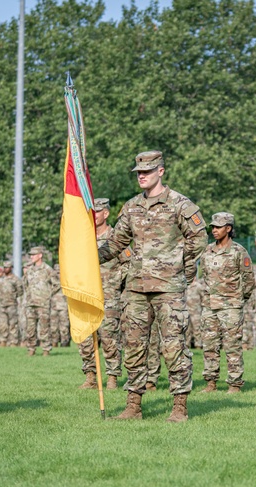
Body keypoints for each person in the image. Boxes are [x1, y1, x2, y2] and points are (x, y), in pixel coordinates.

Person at [97, 150, 207, 421]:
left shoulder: (179, 204)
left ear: (161, 171)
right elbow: (117, 242)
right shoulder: (132, 206)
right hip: (135, 288)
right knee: (134, 346)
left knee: (173, 347)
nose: (142, 177)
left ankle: (179, 405)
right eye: (138, 173)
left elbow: (199, 237)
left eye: (147, 172)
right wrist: (91, 257)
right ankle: (133, 405)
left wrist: (178, 264)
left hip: (169, 288)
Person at [200, 212, 256, 393]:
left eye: (218, 227)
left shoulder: (239, 251)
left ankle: (234, 384)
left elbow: (249, 280)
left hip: (231, 306)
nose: (214, 230)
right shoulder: (207, 250)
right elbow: (205, 277)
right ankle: (210, 383)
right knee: (209, 346)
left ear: (229, 228)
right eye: (213, 227)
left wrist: (239, 299)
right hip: (209, 306)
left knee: (232, 346)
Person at [77, 198, 126, 390]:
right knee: (86, 337)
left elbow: (128, 263)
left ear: (106, 213)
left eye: (97, 211)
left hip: (109, 296)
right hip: (87, 295)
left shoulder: (116, 237)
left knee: (109, 337)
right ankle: (90, 376)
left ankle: (112, 377)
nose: (93, 215)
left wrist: (115, 281)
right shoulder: (84, 238)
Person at [23, 246, 56, 356]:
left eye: (33, 255)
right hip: (31, 303)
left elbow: (56, 284)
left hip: (43, 304)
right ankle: (31, 349)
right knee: (30, 328)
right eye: (30, 255)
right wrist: (28, 296)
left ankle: (46, 349)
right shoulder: (29, 270)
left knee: (44, 328)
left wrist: (48, 295)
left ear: (40, 255)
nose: (31, 257)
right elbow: (25, 285)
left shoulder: (47, 269)